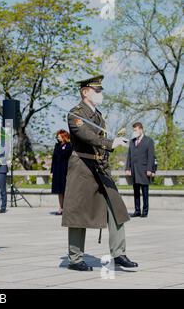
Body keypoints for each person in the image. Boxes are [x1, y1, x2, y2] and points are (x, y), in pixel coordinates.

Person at [63, 75, 138, 271]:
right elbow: (87, 136)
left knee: (116, 208)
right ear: (85, 92)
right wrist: (110, 143)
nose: (100, 94)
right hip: (82, 166)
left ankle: (119, 253)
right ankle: (75, 258)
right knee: (78, 213)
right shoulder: (75, 114)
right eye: (97, 91)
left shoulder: (99, 116)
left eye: (101, 90)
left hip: (100, 167)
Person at [125, 122, 155, 218]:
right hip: (134, 170)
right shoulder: (132, 141)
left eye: (135, 130)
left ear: (141, 129)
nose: (134, 132)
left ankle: (145, 211)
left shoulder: (149, 141)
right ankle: (137, 210)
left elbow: (151, 156)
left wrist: (150, 169)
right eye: (133, 130)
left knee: (145, 192)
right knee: (136, 192)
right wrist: (127, 168)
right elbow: (129, 156)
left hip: (144, 170)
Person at [51, 130, 72, 215]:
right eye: (57, 136)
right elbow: (54, 159)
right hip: (57, 170)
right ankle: (60, 208)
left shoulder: (69, 146)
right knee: (59, 191)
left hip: (65, 170)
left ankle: (67, 208)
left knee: (65, 190)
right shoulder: (57, 145)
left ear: (64, 136)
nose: (57, 137)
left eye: (59, 136)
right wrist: (52, 171)